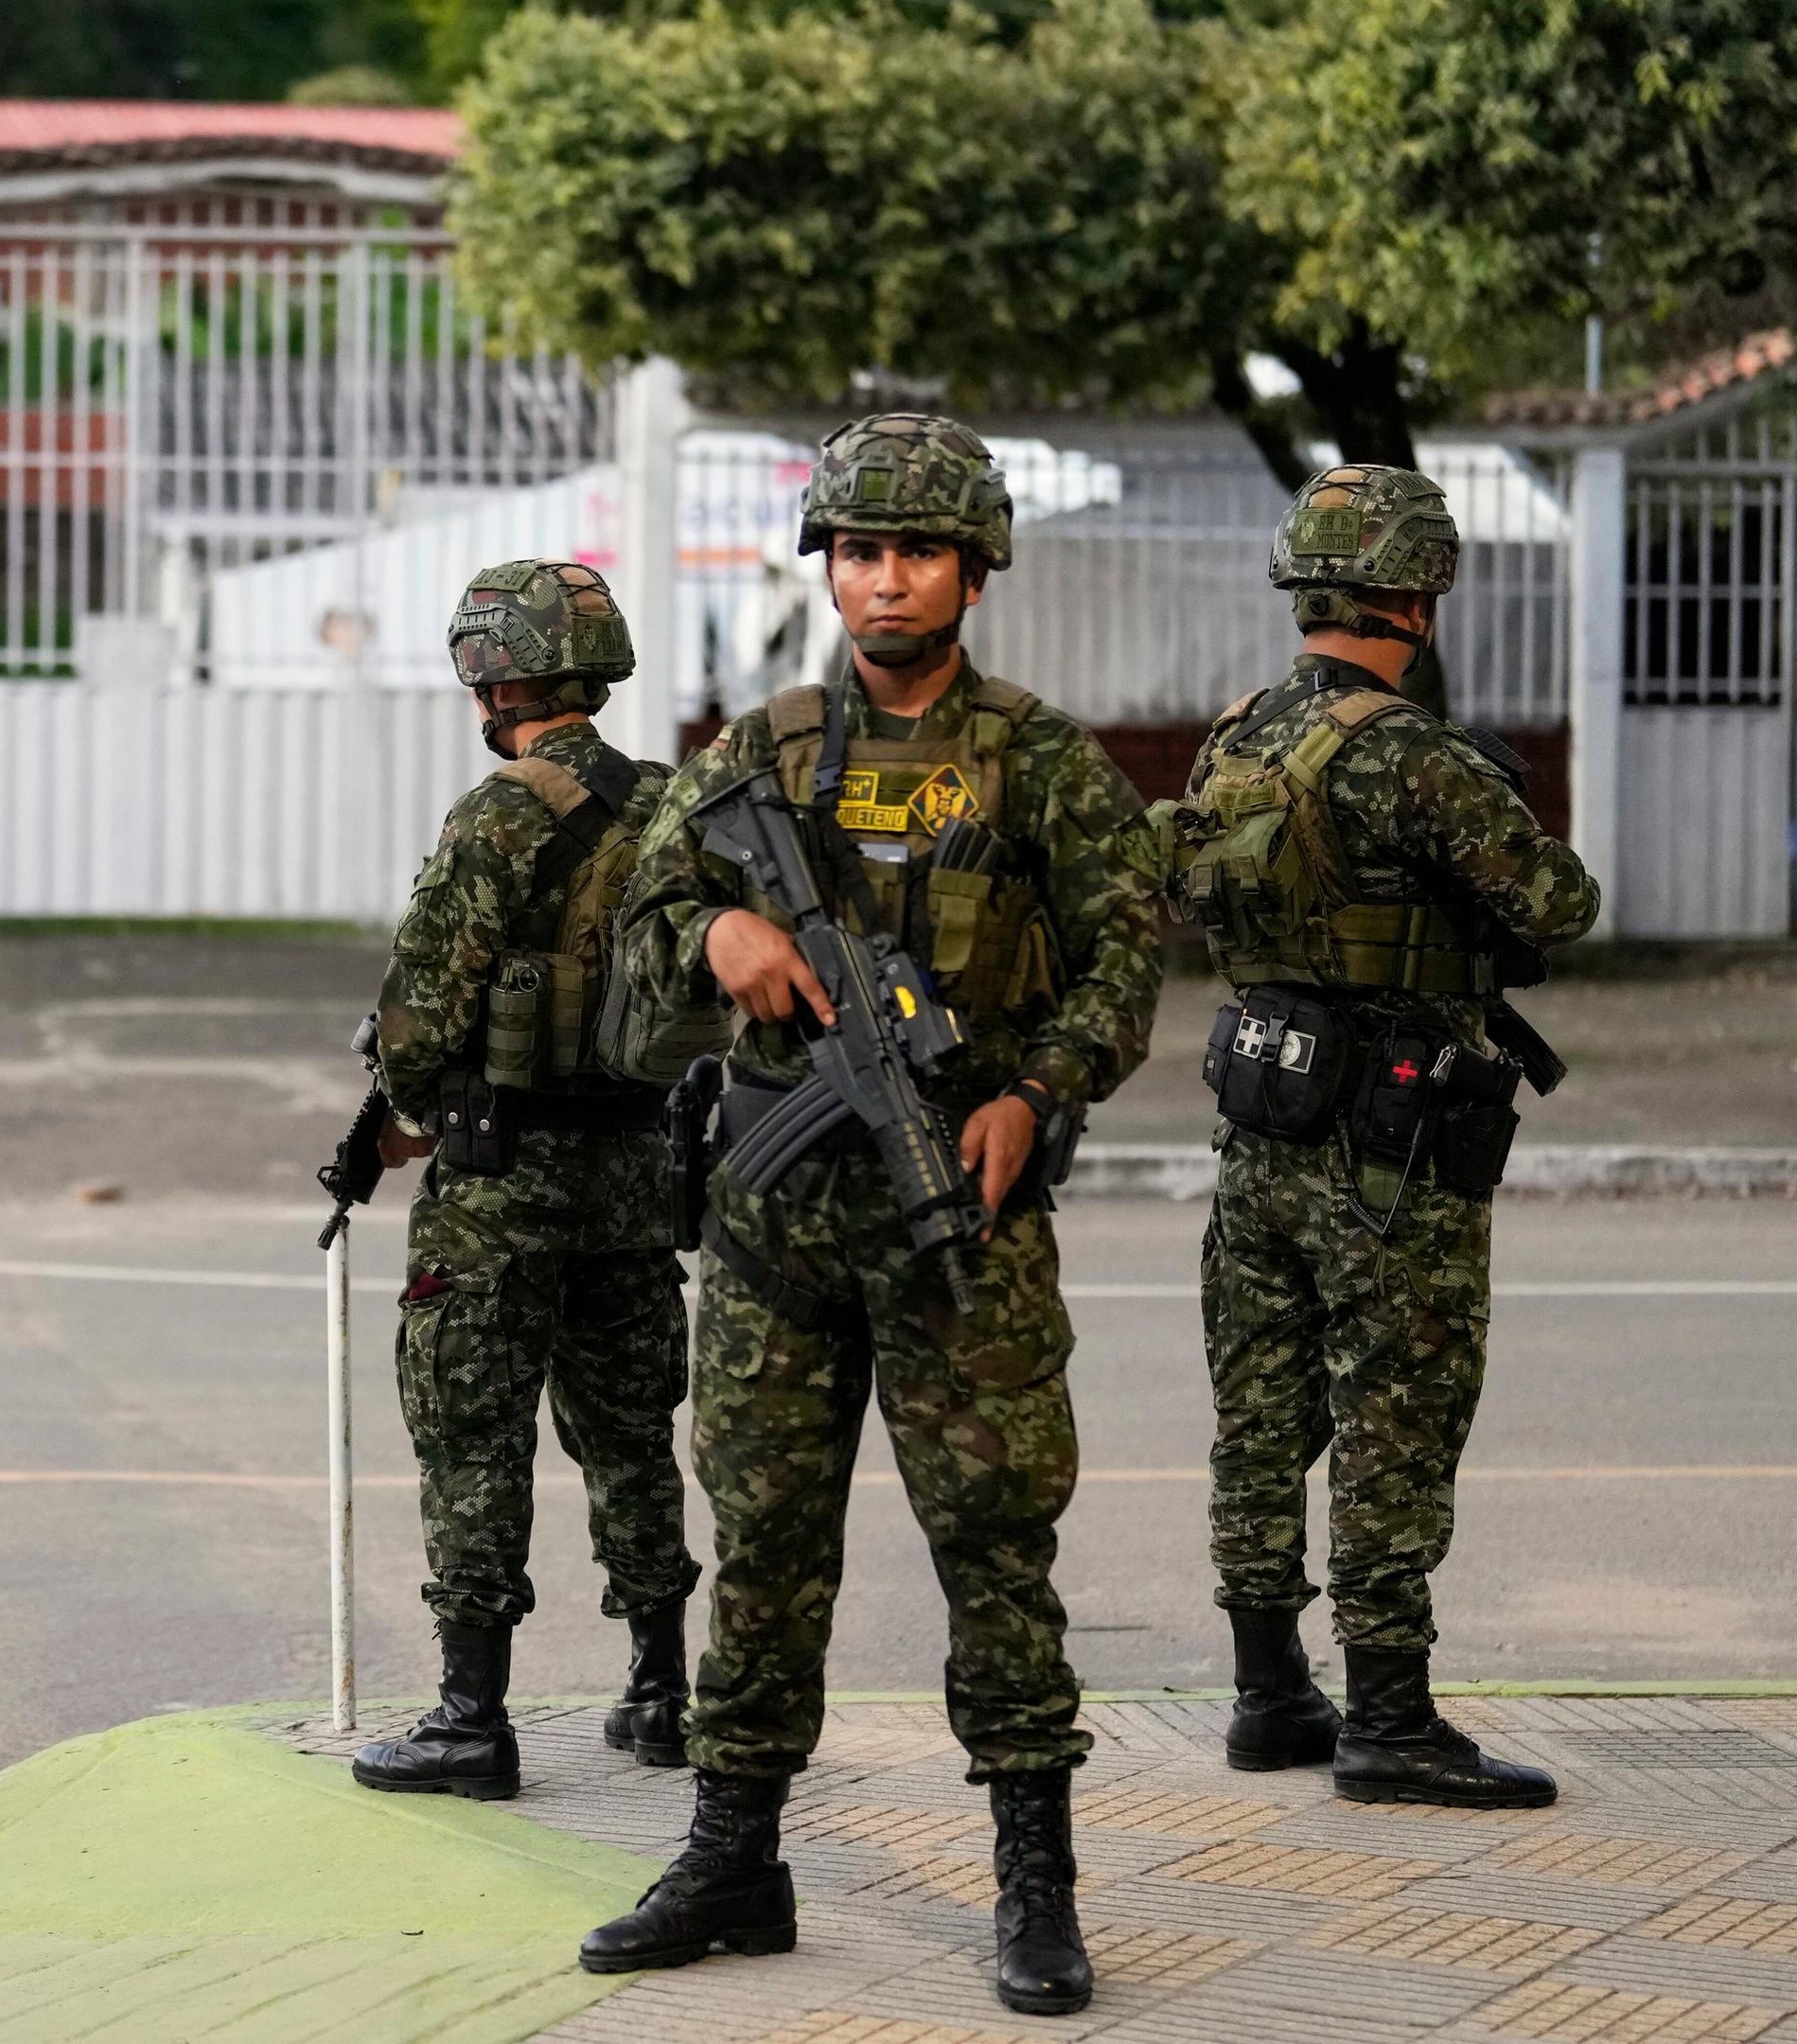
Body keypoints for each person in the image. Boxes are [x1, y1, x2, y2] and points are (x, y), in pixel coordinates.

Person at [586, 414, 1163, 2018]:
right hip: (777, 1236)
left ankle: (1033, 1880)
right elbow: (638, 924)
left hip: (956, 1224)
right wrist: (721, 948)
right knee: (763, 1543)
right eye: (855, 549)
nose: (882, 578)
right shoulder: (758, 753)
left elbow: (1127, 957)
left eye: (913, 549)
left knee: (994, 1545)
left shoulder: (1040, 761)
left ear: (974, 568)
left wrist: (1034, 1094)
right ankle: (733, 1856)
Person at [1169, 466, 1599, 1807]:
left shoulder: (1233, 735)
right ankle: (1391, 1721)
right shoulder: (1411, 752)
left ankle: (1264, 1693)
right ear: (1420, 593)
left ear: (1306, 587)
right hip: (1389, 1147)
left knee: (1258, 1413)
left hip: (1261, 1123)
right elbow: (1561, 902)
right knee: (1392, 1423)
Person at [347, 560, 715, 1806]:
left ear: (492, 673)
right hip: (634, 1172)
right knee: (631, 1438)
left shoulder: (497, 813)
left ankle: (471, 1717)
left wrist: (399, 1113)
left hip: (500, 1179)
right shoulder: (669, 802)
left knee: (472, 1442)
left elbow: (419, 1019)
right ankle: (664, 1695)